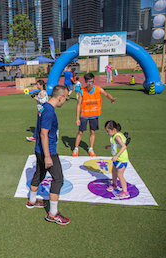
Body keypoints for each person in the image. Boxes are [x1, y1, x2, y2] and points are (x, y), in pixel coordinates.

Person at [26, 85, 70, 225]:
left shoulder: (44, 106)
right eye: (66, 98)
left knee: (40, 174)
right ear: (60, 97)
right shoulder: (49, 111)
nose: (65, 101)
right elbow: (43, 133)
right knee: (58, 179)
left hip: (39, 149)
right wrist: (48, 156)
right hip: (48, 151)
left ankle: (31, 201)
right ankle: (52, 214)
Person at [72, 73, 116, 157]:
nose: (90, 84)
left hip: (94, 115)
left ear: (94, 80)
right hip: (84, 115)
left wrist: (111, 98)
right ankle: (76, 148)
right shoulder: (82, 91)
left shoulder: (98, 89)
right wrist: (77, 118)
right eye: (88, 82)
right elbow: (78, 105)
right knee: (80, 132)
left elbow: (106, 94)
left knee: (92, 132)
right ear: (85, 82)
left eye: (92, 81)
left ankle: (91, 149)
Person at [104, 120, 130, 199]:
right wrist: (109, 146)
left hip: (121, 159)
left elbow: (124, 146)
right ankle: (114, 184)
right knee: (114, 171)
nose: (107, 133)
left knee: (120, 175)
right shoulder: (116, 135)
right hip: (117, 159)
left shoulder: (117, 137)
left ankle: (125, 192)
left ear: (114, 130)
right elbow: (117, 145)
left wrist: (116, 156)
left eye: (108, 131)